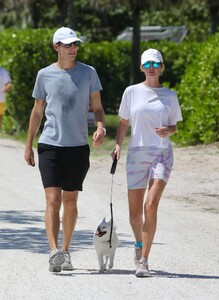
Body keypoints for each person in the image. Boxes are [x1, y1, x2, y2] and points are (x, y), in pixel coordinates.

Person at [24, 27, 106, 273]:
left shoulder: (89, 73)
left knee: (70, 202)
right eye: (68, 44)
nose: (73, 48)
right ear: (56, 47)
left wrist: (101, 126)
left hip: (78, 147)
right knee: (52, 200)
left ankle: (66, 251)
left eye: (75, 44)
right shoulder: (44, 75)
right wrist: (28, 144)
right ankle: (53, 252)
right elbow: (37, 111)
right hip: (50, 145)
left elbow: (98, 107)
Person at [112, 48, 182, 277]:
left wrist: (169, 130)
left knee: (150, 205)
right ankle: (139, 244)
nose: (152, 68)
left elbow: (175, 127)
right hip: (136, 153)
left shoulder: (170, 96)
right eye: (147, 65)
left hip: (162, 153)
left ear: (162, 67)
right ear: (141, 68)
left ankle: (143, 260)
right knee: (134, 214)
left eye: (156, 64)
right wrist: (118, 145)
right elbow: (123, 123)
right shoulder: (131, 92)